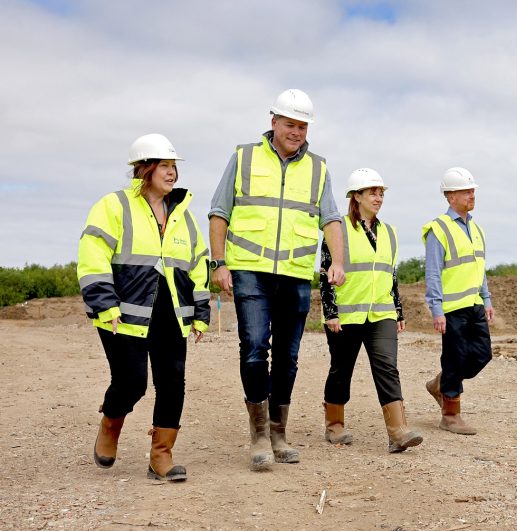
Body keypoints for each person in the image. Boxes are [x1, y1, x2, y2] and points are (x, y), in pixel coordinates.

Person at [207, 89, 346, 471]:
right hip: (250, 270)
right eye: (290, 124)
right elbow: (219, 212)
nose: (296, 132)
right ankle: (258, 437)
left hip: (296, 275)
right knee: (254, 348)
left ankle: (278, 431)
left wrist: (338, 261)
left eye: (303, 126)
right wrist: (218, 262)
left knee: (288, 356)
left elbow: (331, 218)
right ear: (273, 122)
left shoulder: (318, 168)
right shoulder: (244, 158)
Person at [77, 133, 210, 482]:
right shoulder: (114, 205)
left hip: (171, 313)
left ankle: (161, 456)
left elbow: (197, 264)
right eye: (164, 166)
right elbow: (93, 255)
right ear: (144, 169)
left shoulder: (183, 214)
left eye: (173, 166)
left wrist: (200, 313)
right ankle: (110, 424)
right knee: (132, 382)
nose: (171, 173)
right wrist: (104, 303)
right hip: (123, 313)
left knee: (172, 383)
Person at [320, 169, 423, 453]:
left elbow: (391, 274)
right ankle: (334, 425)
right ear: (357, 196)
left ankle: (398, 432)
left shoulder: (389, 232)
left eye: (381, 193)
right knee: (342, 370)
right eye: (372, 192)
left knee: (387, 368)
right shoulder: (337, 228)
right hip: (347, 313)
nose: (378, 198)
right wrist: (331, 312)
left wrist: (398, 310)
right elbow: (326, 270)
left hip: (381, 313)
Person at [421, 167, 494, 435]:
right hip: (451, 308)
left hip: (474, 304)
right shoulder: (437, 229)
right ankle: (450, 416)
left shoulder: (477, 229)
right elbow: (433, 272)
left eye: (473, 190)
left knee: (482, 355)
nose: (471, 195)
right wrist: (436, 308)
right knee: (454, 359)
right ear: (450, 196)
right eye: (466, 191)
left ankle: (439, 384)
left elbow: (479, 268)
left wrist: (486, 298)